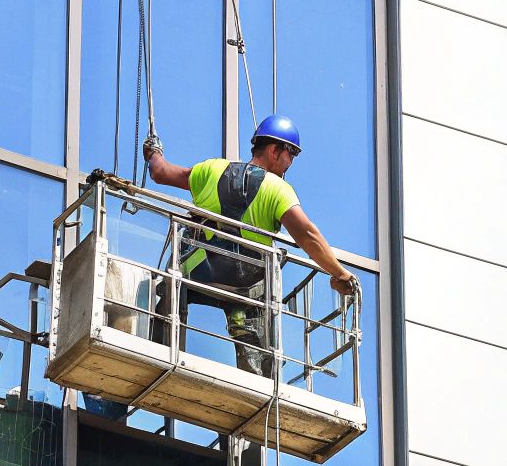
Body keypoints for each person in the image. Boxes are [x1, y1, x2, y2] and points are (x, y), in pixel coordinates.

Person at [142, 115, 357, 378]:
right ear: (274, 150)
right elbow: (307, 235)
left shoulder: (211, 170)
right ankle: (257, 374)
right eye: (291, 155)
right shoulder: (278, 189)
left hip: (199, 270)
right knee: (256, 307)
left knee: (174, 285)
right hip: (245, 283)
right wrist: (339, 273)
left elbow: (161, 173)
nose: (290, 163)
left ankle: (161, 343)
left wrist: (154, 153)